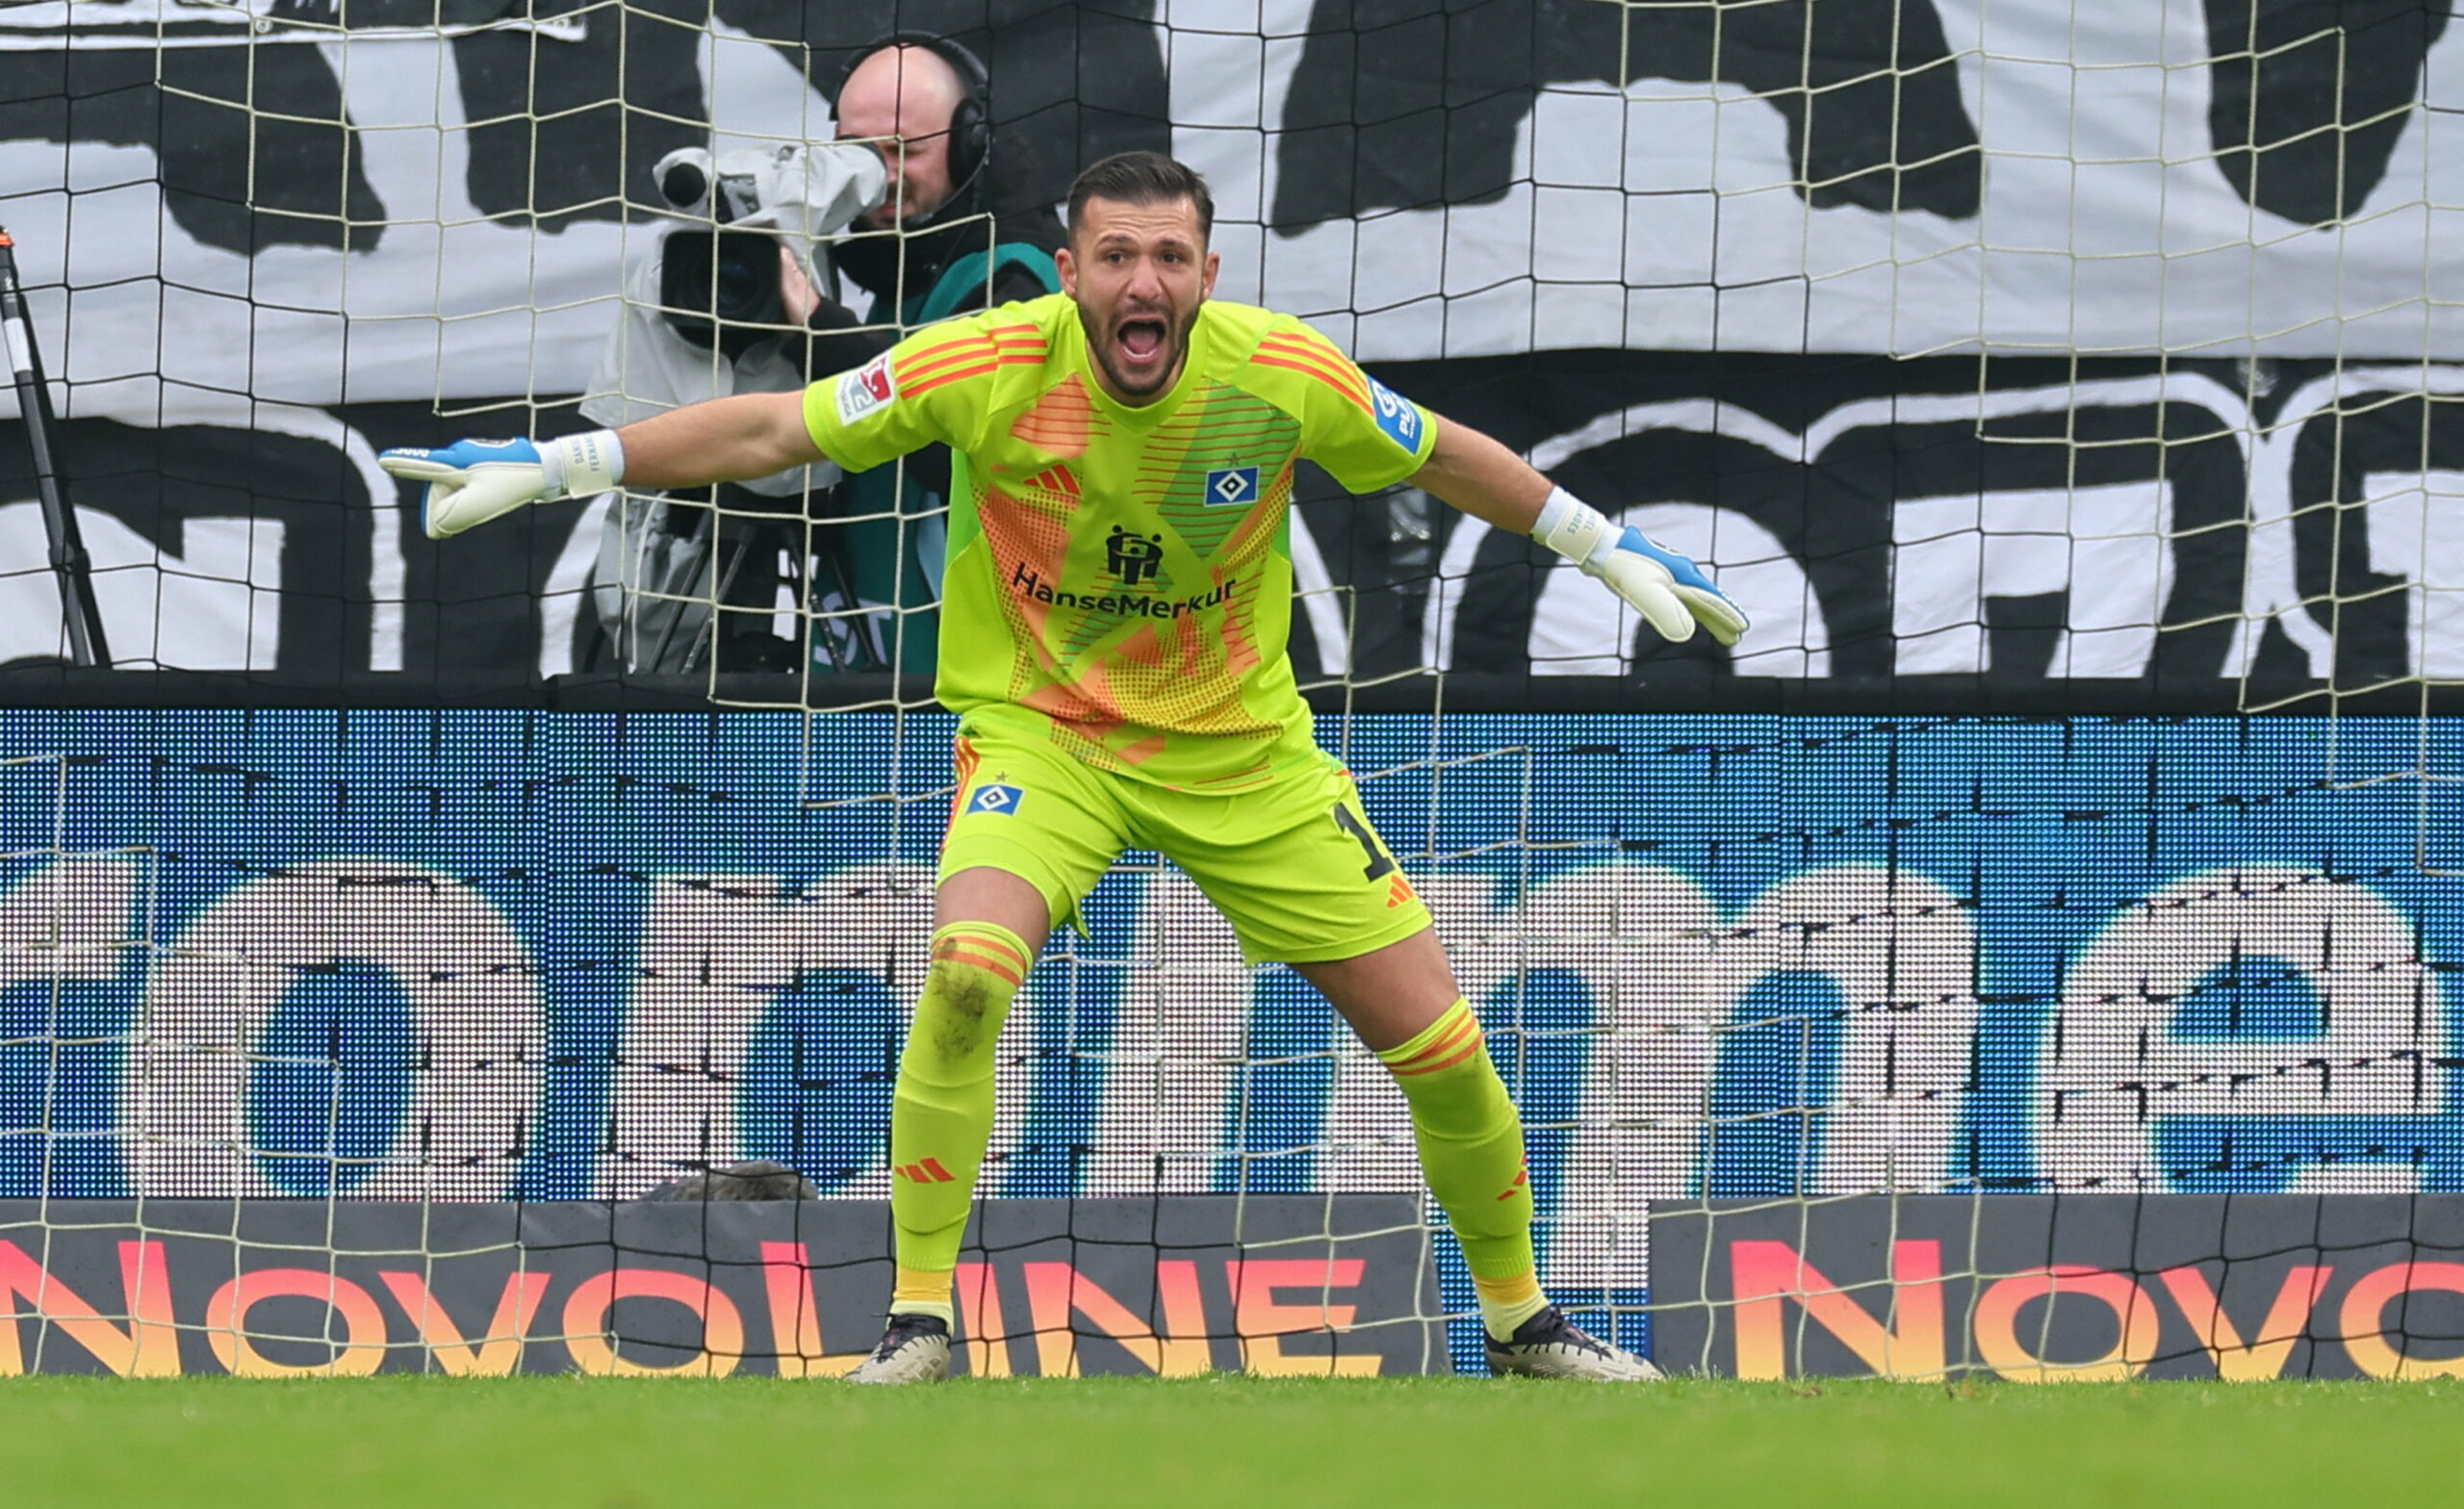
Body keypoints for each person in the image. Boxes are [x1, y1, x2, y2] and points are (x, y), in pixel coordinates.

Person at [378, 151, 1747, 1383]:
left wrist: (1596, 540)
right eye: (1115, 256)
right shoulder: (983, 363)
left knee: (1445, 1052)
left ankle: (1524, 1328)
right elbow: (774, 430)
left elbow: (1440, 451)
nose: (1141, 283)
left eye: (1169, 258)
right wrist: (569, 463)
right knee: (969, 971)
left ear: (1207, 274)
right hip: (1047, 741)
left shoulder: (1278, 375)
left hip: (1243, 758)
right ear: (1073, 268)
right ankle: (919, 1320)